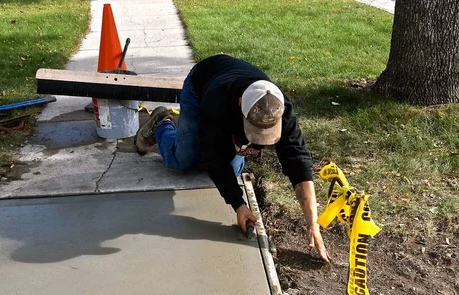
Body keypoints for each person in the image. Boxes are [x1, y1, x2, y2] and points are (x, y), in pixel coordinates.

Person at [135, 54, 330, 263]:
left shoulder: (279, 109)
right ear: (240, 105)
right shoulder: (217, 102)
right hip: (199, 87)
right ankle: (162, 124)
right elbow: (213, 156)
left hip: (229, 97)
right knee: (183, 160)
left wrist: (312, 223)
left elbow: (298, 162)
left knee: (233, 170)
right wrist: (239, 204)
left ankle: (220, 144)